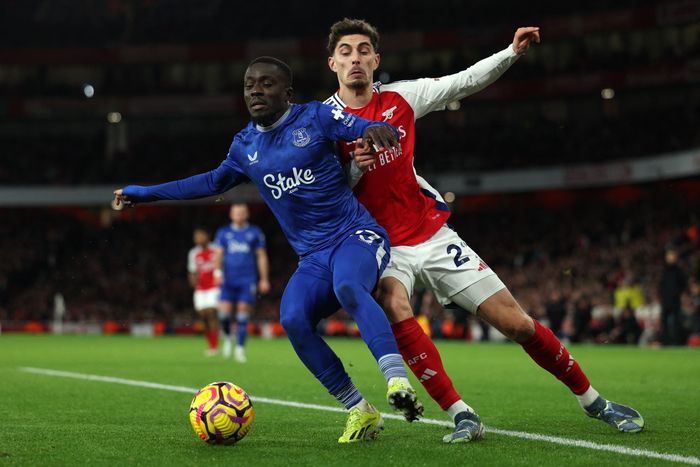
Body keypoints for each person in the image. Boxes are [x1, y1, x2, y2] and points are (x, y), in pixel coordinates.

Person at [324, 18, 644, 441]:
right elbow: (323, 193)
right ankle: (461, 415)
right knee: (394, 303)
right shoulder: (323, 122)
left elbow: (463, 81)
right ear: (333, 63)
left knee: (518, 324)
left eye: (363, 51)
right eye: (346, 52)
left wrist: (511, 52)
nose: (355, 59)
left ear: (376, 60)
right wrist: (352, 168)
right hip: (379, 245)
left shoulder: (401, 98)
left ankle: (594, 401)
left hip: (432, 234)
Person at [113, 56, 422, 443]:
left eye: (266, 84)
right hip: (313, 257)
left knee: (348, 286)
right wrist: (146, 193)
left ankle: (396, 380)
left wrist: (376, 127)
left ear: (288, 93)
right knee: (292, 318)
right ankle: (360, 410)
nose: (255, 91)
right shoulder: (245, 146)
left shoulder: (315, 117)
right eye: (249, 85)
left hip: (355, 235)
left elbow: (359, 125)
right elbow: (210, 182)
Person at [213, 203, 270, 362]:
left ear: (247, 214)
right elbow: (218, 254)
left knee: (242, 315)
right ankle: (227, 337)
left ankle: (240, 348)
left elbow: (261, 256)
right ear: (231, 214)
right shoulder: (224, 232)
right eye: (236, 212)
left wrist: (264, 279)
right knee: (223, 315)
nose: (239, 215)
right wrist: (217, 272)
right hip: (228, 279)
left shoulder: (255, 232)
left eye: (242, 212)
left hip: (247, 279)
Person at [187, 228, 221, 356]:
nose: (197, 239)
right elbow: (192, 270)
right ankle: (210, 344)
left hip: (214, 287)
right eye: (196, 237)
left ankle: (215, 346)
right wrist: (192, 282)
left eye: (200, 236)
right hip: (200, 289)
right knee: (203, 316)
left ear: (207, 236)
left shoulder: (216, 249)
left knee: (211, 312)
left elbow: (222, 265)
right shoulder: (193, 253)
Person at [658, 248, 687, 345]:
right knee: (664, 322)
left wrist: (678, 295)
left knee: (676, 322)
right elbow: (661, 285)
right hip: (665, 300)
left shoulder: (679, 271)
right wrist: (661, 296)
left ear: (676, 257)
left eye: (671, 255)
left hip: (675, 300)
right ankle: (665, 341)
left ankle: (677, 342)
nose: (669, 257)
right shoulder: (665, 271)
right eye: (668, 255)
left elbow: (683, 285)